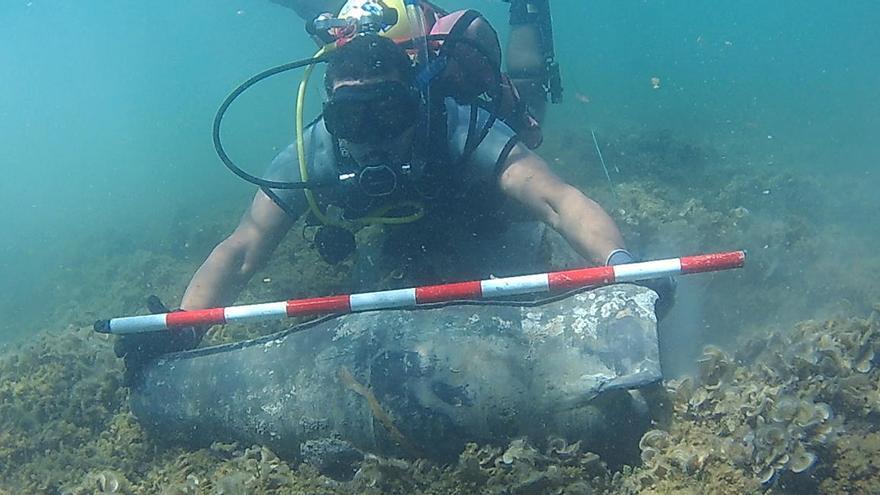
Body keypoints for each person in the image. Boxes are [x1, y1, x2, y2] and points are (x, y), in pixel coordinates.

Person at [115, 10, 672, 377]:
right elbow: (243, 248)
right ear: (330, 118)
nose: (374, 137)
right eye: (352, 120)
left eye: (388, 112)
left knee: (525, 93)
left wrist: (621, 266)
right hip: (407, 227)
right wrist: (181, 331)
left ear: (417, 101)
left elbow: (557, 200)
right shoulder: (319, 153)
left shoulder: (458, 126)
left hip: (480, 208)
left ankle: (529, 13)